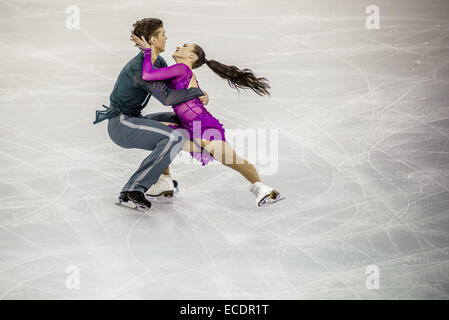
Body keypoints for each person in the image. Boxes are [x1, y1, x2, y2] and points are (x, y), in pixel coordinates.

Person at [130, 35, 283, 207]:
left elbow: (148, 75)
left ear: (192, 57)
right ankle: (164, 182)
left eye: (185, 46)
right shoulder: (181, 71)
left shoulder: (182, 68)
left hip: (202, 125)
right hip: (187, 125)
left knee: (231, 159)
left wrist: (147, 51)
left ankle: (263, 188)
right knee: (162, 138)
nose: (179, 46)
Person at [93, 18, 210, 210]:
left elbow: (178, 89)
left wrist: (200, 96)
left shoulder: (158, 61)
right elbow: (168, 98)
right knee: (173, 138)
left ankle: (160, 181)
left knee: (179, 120)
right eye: (163, 34)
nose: (166, 37)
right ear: (153, 40)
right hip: (121, 123)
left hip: (134, 118)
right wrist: (195, 93)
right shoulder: (140, 68)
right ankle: (132, 190)